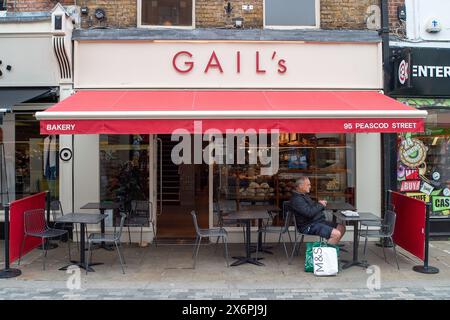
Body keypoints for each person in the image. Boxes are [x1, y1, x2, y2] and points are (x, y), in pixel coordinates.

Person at [290, 176, 346, 244]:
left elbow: (311, 207)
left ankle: (330, 248)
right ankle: (325, 253)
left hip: (316, 222)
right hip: (308, 226)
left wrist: (319, 203)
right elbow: (309, 213)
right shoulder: (297, 199)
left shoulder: (303, 195)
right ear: (300, 186)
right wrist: (320, 205)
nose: (310, 186)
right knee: (336, 234)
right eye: (308, 185)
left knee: (341, 228)